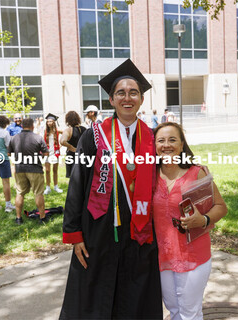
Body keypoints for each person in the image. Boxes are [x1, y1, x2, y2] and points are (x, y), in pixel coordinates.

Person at [60, 59, 162, 319]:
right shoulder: (94, 136)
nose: (127, 98)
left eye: (133, 92)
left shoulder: (153, 136)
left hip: (141, 229)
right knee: (98, 293)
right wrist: (74, 233)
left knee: (136, 293)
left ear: (141, 99)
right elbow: (77, 184)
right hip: (100, 229)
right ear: (111, 99)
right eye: (121, 93)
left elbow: (175, 170)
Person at [153, 122, 228, 319]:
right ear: (154, 146)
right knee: (173, 310)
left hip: (193, 256)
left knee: (190, 313)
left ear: (181, 144)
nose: (166, 145)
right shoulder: (149, 176)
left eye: (172, 140)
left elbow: (221, 207)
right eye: (161, 140)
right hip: (161, 257)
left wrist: (203, 220)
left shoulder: (196, 173)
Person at [8, 118, 49, 225]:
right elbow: (46, 153)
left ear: (22, 126)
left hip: (20, 169)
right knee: (38, 193)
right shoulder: (38, 137)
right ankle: (42, 218)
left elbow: (9, 153)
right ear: (32, 126)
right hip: (35, 169)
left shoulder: (14, 138)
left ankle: (18, 218)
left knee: (20, 193)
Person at [59, 111, 86, 178]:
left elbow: (62, 141)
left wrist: (70, 146)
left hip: (72, 155)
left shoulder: (68, 130)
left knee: (72, 179)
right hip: (83, 155)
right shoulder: (85, 129)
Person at [43, 113, 63, 194]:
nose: (49, 123)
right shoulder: (45, 131)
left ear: (54, 122)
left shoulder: (57, 131)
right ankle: (48, 187)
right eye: (48, 121)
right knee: (47, 170)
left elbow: (66, 134)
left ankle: (56, 186)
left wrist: (60, 144)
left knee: (55, 170)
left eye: (51, 121)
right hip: (47, 153)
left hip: (55, 153)